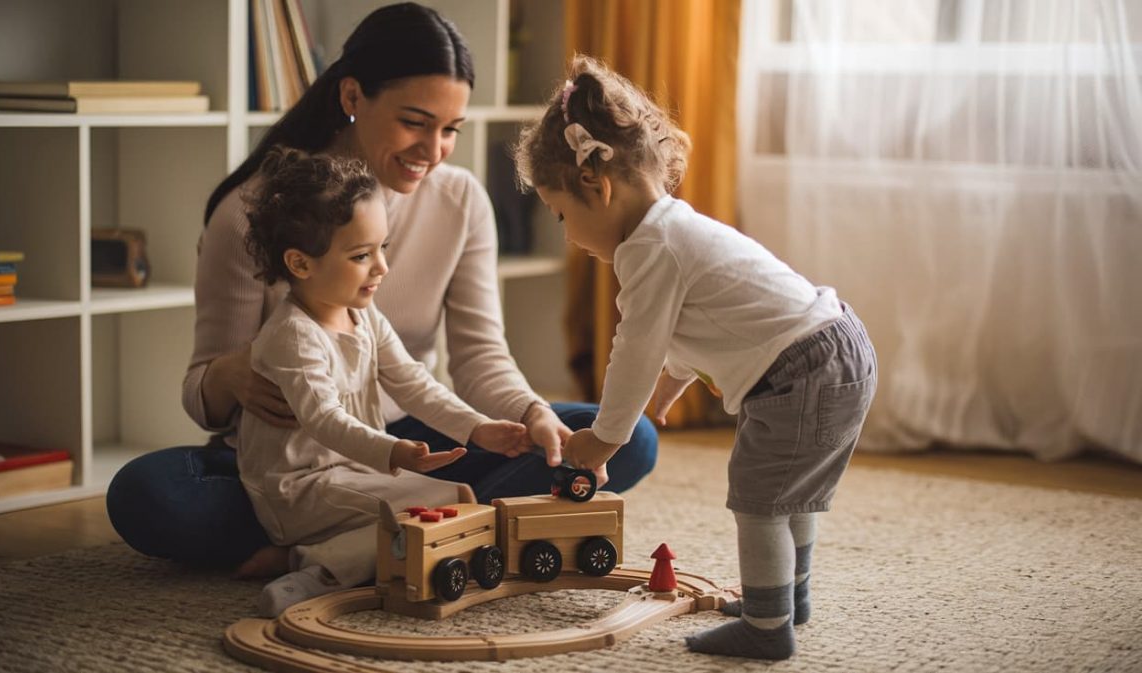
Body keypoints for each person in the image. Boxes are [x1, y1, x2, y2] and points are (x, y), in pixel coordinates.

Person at [105, 2, 658, 577]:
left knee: (625, 438)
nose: (434, 150)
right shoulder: (253, 213)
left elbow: (476, 358)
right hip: (293, 461)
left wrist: (530, 413)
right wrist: (231, 374)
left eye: (450, 130)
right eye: (415, 122)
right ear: (351, 98)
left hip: (416, 442)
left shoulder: (461, 201)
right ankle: (438, 535)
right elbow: (202, 395)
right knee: (147, 493)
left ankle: (390, 540)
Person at [514, 56, 877, 660]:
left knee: (760, 500)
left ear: (597, 189)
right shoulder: (673, 232)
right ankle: (789, 596)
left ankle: (766, 628)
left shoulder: (649, 248)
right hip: (836, 349)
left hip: (805, 369)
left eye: (561, 215)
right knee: (790, 495)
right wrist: (659, 402)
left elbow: (638, 346)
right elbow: (691, 334)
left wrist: (605, 439)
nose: (567, 233)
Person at [238, 147, 527, 614]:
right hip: (297, 488)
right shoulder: (294, 335)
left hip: (353, 474)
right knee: (448, 501)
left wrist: (477, 428)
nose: (382, 268)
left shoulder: (362, 313)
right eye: (360, 255)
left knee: (445, 507)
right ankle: (317, 571)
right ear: (300, 264)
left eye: (382, 249)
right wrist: (391, 451)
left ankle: (309, 555)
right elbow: (323, 419)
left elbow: (414, 382)